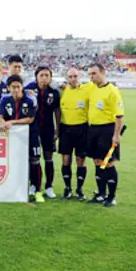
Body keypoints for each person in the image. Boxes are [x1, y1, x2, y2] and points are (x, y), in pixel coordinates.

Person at [0, 75, 44, 203]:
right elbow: (0, 116)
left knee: (35, 161)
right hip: (14, 136)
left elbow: (30, 119)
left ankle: (37, 191)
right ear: (8, 88)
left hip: (31, 134)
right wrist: (2, 122)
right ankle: (17, 189)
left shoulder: (30, 99)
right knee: (15, 162)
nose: (16, 89)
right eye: (13, 87)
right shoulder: (5, 99)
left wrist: (11, 122)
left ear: (22, 87)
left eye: (18, 86)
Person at [86, 63, 124, 207]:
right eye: (90, 74)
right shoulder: (92, 87)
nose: (91, 77)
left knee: (108, 163)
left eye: (94, 73)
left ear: (103, 72)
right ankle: (101, 194)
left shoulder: (112, 91)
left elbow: (119, 116)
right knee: (97, 161)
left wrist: (116, 135)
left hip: (107, 131)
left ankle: (111, 196)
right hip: (93, 130)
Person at [24, 66, 61, 199]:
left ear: (50, 77)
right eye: (41, 75)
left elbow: (57, 111)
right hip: (33, 128)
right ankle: (34, 185)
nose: (44, 78)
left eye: (47, 75)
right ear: (36, 76)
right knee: (34, 158)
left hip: (48, 128)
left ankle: (49, 186)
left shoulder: (54, 92)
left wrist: (58, 128)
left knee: (48, 157)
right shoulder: (28, 89)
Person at [58, 68, 89, 200]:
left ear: (79, 76)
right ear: (66, 78)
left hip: (82, 128)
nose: (73, 79)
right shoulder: (62, 90)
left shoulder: (87, 89)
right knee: (66, 160)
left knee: (80, 160)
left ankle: (79, 189)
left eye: (75, 76)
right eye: (70, 77)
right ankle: (68, 188)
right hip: (65, 128)